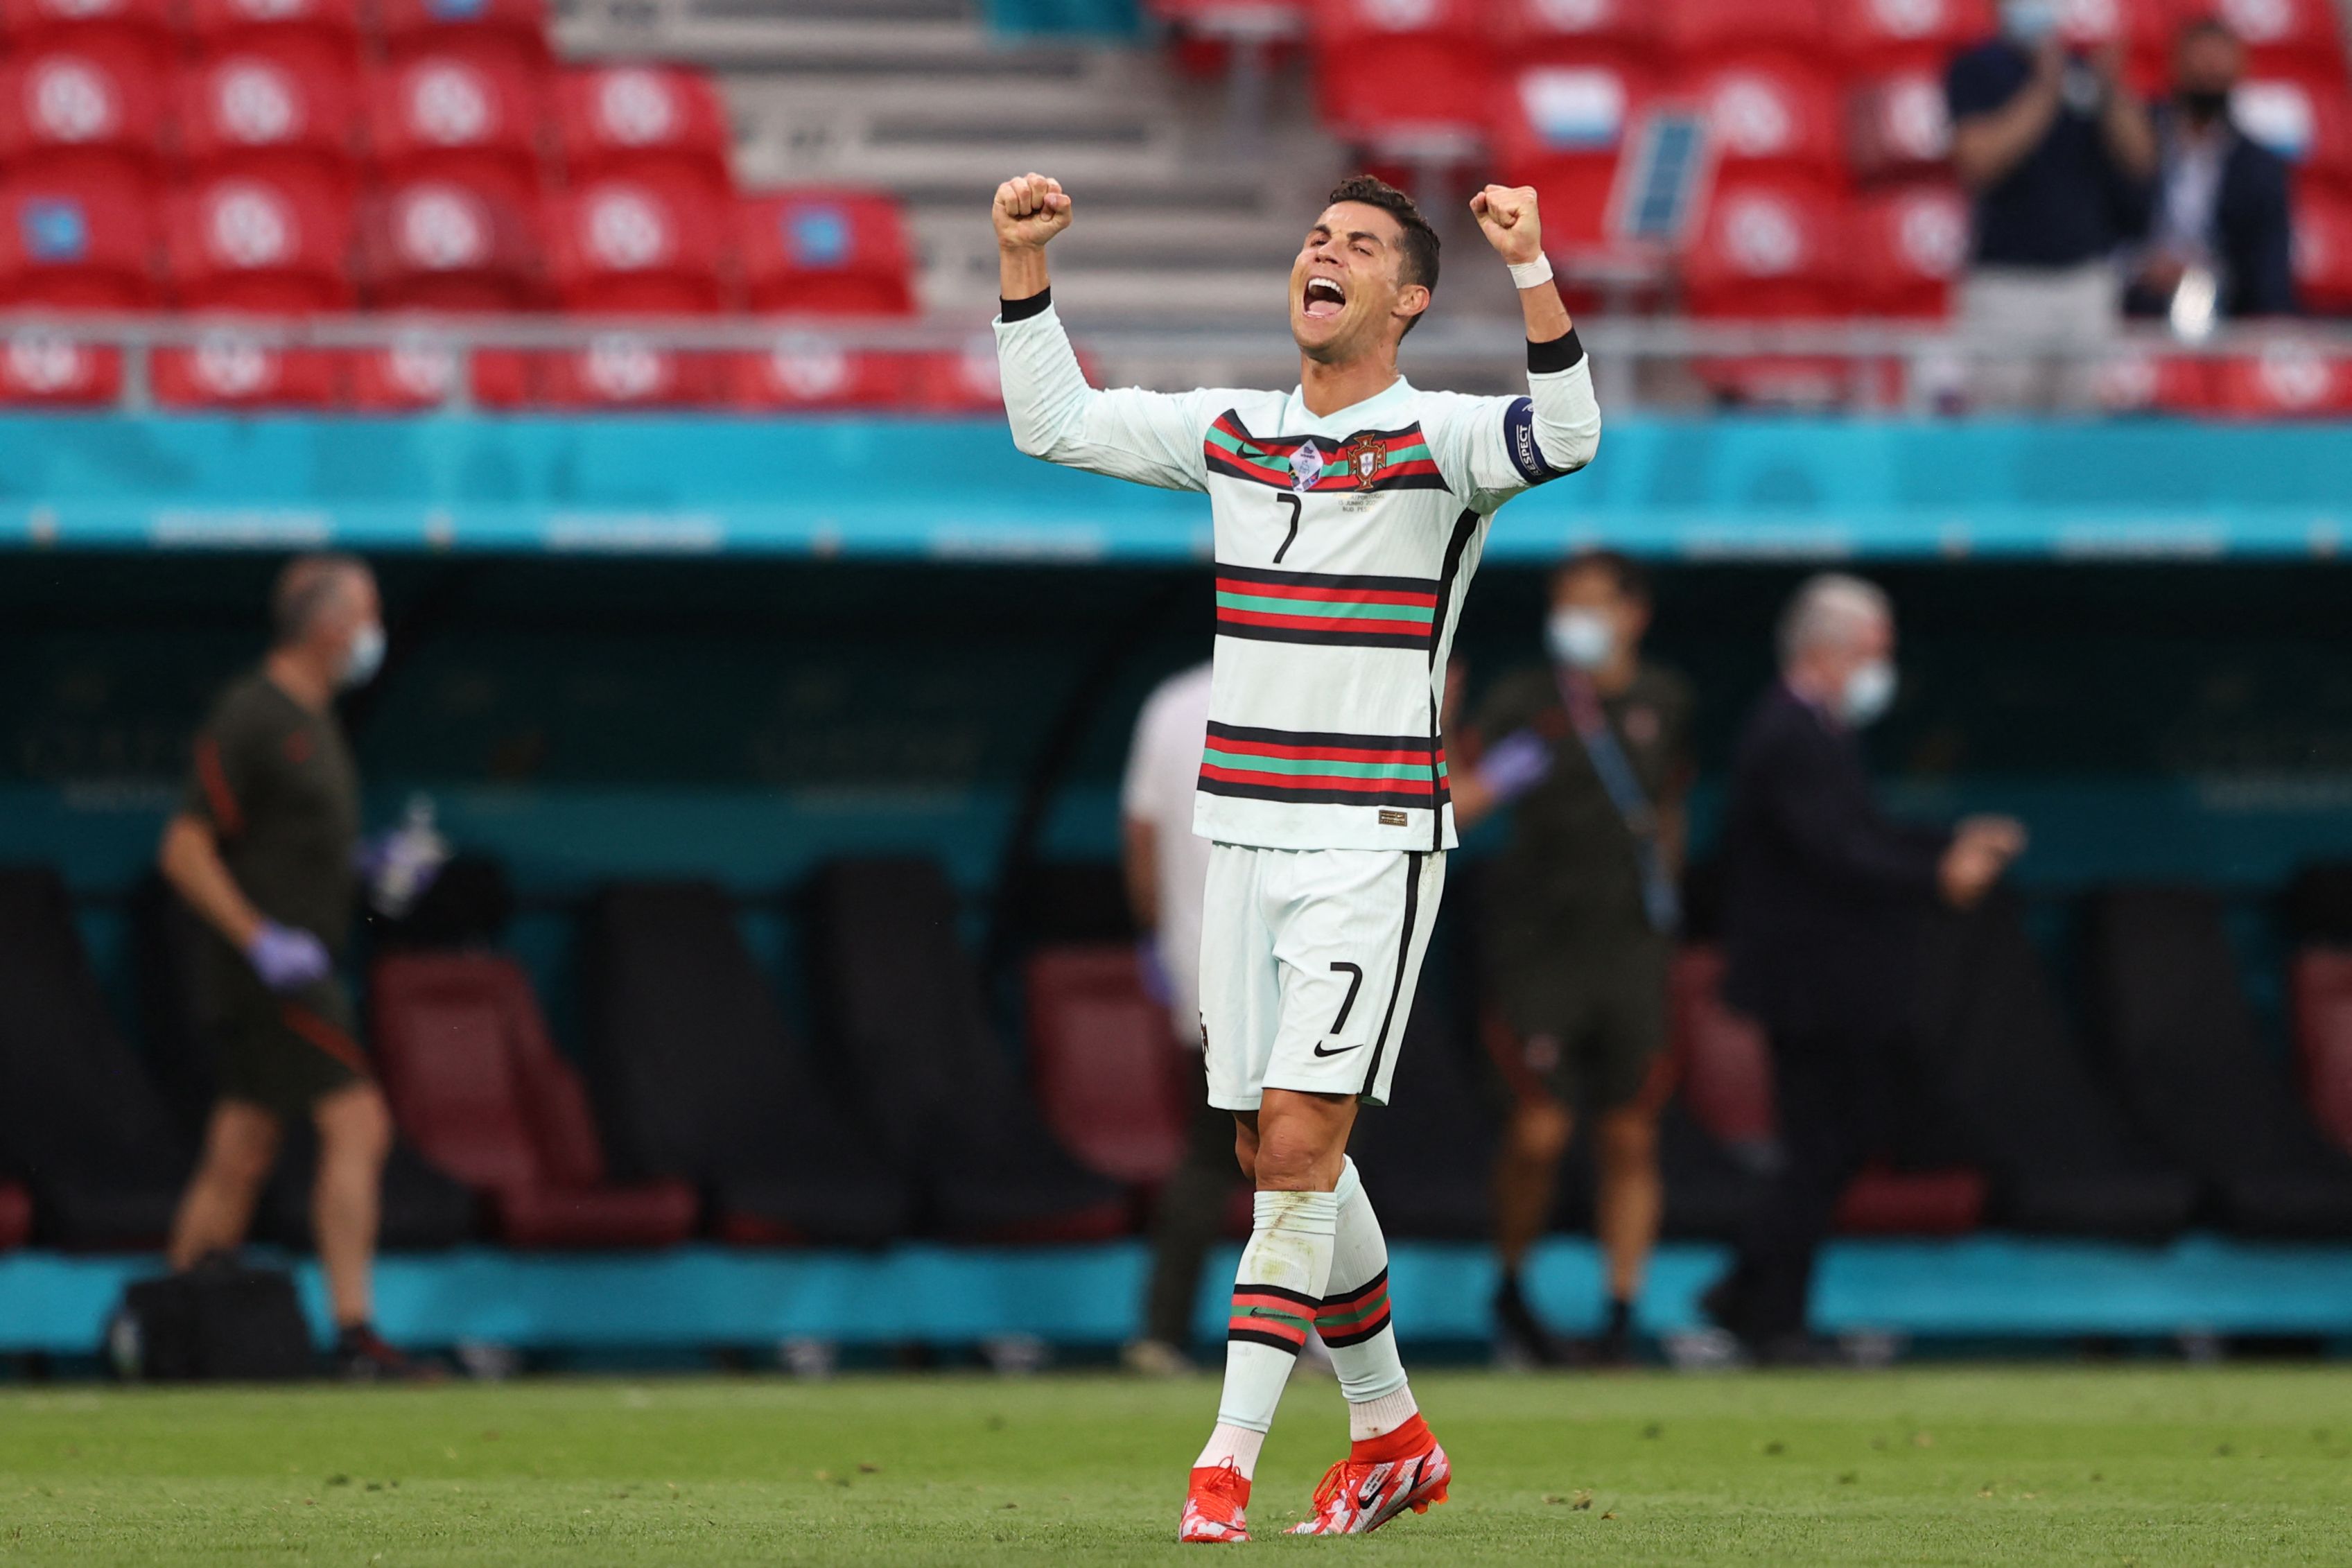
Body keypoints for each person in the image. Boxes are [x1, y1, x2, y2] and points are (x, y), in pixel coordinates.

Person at [993, 169, 1600, 1540]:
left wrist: (1531, 269)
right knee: (1275, 1147)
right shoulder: (1236, 431)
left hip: (1367, 842)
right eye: (1315, 238)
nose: (1321, 254)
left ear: (1406, 298)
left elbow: (1566, 434)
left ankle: (1223, 1466)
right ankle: (1389, 1429)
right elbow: (1052, 421)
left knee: (1293, 1154)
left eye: (1359, 246)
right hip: (1239, 840)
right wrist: (1022, 269)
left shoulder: (1439, 441)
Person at [1702, 575, 2024, 1364]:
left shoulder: (1819, 730)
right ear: (1827, 650)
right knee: (1819, 1149)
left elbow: (1863, 830)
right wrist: (1938, 871)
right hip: (1808, 988)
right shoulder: (1787, 732)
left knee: (1836, 1146)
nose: (1883, 671)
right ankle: (1770, 1320)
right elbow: (1840, 851)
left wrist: (1946, 845)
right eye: (1875, 655)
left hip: (1835, 987)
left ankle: (1748, 1294)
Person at [161, 555, 429, 1381]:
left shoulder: (318, 718)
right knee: (359, 1124)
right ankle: (354, 1334)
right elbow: (184, 846)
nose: (374, 633)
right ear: (327, 625)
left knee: (242, 1145)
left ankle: (170, 1329)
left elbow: (296, 846)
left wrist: (370, 869)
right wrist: (257, 937)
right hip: (273, 972)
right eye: (367, 614)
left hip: (309, 957)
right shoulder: (253, 712)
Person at [1448, 551, 1692, 1369]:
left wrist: (1664, 912)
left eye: (1592, 604)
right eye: (1565, 604)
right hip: (1537, 949)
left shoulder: (1665, 700)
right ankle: (1512, 1283)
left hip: (1628, 949)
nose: (1575, 620)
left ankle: (1621, 1313)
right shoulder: (1528, 699)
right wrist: (1481, 761)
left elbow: (1669, 814)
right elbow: (1460, 802)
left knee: (1631, 1134)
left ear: (1634, 614)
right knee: (1541, 1131)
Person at [1946, 0, 2157, 408]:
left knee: (2079, 440)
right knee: (2000, 433)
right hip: (2005, 284)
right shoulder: (1975, 69)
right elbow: (1979, 161)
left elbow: (2142, 160)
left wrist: (2112, 91)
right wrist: (2045, 88)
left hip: (2084, 281)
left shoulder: (2086, 72)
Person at [1120, 659, 1228, 1376]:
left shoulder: (1172, 699)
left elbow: (1140, 838)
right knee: (1319, 1154)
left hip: (1202, 968)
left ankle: (1162, 1332)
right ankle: (1320, 1338)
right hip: (1303, 968)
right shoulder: (1331, 683)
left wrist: (1160, 940)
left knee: (1217, 1152)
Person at [2126, 18, 2298, 323]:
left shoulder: (2259, 166)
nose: (2208, 75)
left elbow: (2268, 267)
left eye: (2218, 69)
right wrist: (2140, 267)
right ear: (2176, 66)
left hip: (2223, 308)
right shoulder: (2133, 139)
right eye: (2200, 65)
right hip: (2132, 297)